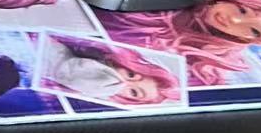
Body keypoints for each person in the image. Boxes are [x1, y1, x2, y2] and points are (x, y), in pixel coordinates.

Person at [98, 0, 261, 87]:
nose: (233, 20)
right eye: (242, 10)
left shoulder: (204, 66)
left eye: (255, 31)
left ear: (253, 42)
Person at [42, 38, 180, 108]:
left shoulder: (95, 97)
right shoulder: (93, 50)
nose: (124, 82)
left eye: (133, 92)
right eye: (130, 75)